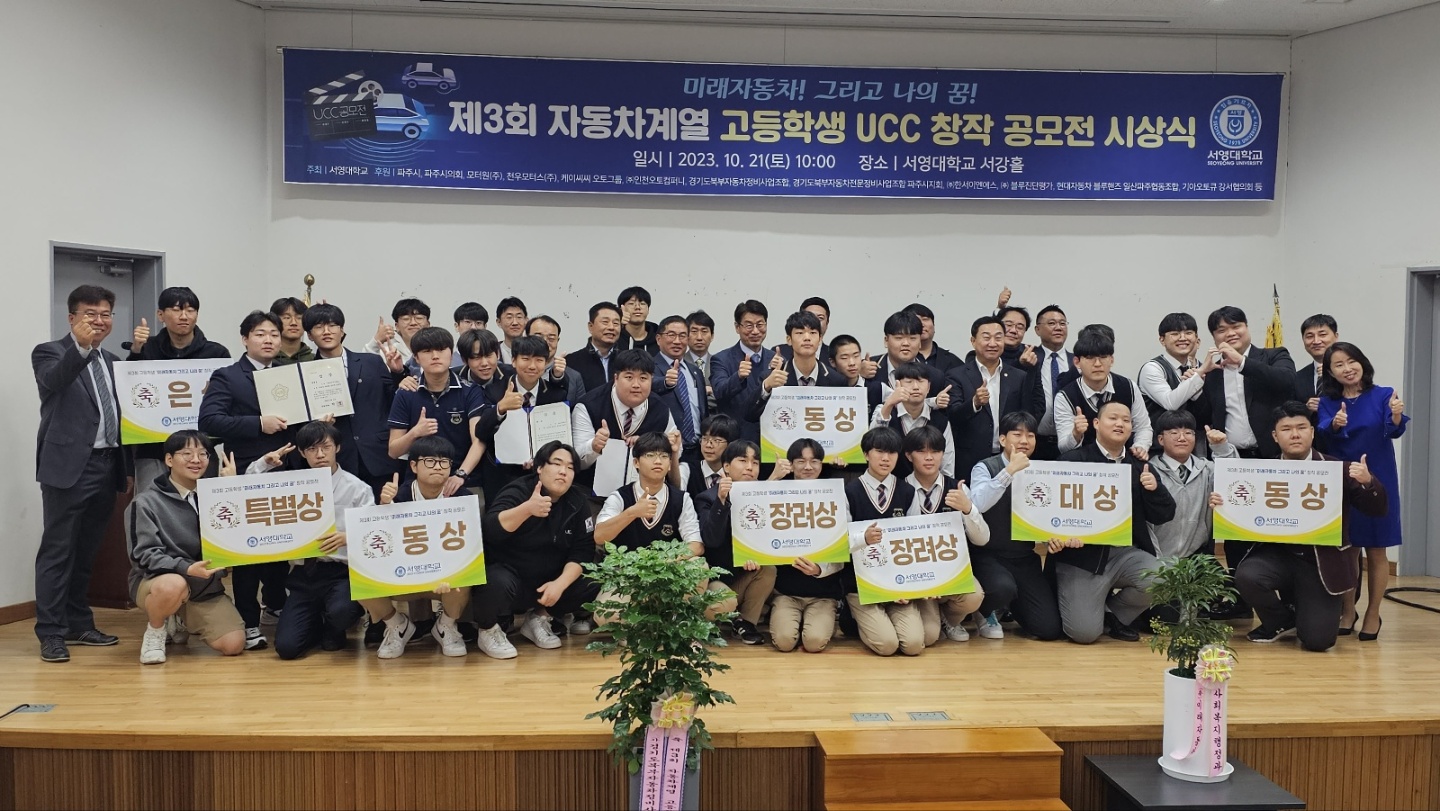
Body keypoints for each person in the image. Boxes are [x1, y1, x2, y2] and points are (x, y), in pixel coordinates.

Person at [1230, 402, 1387, 651]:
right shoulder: (1261, 471)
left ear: (1312, 432)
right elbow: (1243, 512)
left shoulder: (1337, 469)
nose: (1295, 434)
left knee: (1318, 641)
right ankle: (1281, 621)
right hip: (1277, 557)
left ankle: (1305, 614)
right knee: (1247, 575)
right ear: (1275, 436)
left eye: (1301, 427)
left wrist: (1368, 482)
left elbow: (1376, 510)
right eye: (1286, 429)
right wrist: (1223, 503)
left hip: (1320, 562)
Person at [31, 284, 130, 662]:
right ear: (72, 318)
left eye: (105, 314)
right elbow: (54, 380)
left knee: (88, 551)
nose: (99, 321)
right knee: (58, 552)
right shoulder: (49, 352)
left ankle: (78, 623)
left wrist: (126, 468)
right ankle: (51, 632)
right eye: (90, 314)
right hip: (68, 468)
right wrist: (82, 348)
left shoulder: (113, 362)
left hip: (107, 465)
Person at [198, 310, 295, 650]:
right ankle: (249, 620)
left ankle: (276, 604)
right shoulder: (227, 376)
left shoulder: (288, 374)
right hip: (244, 472)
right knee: (249, 551)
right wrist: (257, 423)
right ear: (244, 339)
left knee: (281, 543)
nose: (268, 340)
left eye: (274, 334)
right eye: (260, 334)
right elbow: (209, 421)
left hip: (287, 472)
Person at [1054, 400, 1176, 644]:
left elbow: (1164, 515)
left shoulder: (1140, 465)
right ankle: (1095, 612)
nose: (1120, 423)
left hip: (1125, 553)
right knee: (1084, 634)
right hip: (1082, 557)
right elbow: (1053, 510)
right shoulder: (1073, 460)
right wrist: (1061, 537)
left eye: (1126, 420)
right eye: (1113, 418)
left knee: (1163, 578)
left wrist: (1154, 490)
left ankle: (1112, 615)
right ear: (1096, 423)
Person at [247, 422, 368, 660]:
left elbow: (372, 534)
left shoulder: (357, 488)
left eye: (326, 447)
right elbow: (246, 490)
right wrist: (264, 464)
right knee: (287, 649)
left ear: (337, 448)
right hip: (303, 574)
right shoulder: (292, 484)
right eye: (312, 449)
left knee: (342, 613)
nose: (320, 454)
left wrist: (349, 537)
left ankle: (334, 625)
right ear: (302, 453)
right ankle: (315, 622)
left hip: (341, 572)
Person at [127, 430, 245, 664]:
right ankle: (156, 630)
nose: (196, 460)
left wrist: (231, 490)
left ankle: (179, 615)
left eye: (203, 454)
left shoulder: (215, 497)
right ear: (169, 460)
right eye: (187, 454)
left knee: (233, 644)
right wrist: (187, 568)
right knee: (174, 585)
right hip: (157, 581)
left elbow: (236, 536)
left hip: (203, 587)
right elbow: (142, 556)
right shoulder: (146, 502)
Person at [593, 433, 734, 627]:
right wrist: (632, 513)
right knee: (605, 614)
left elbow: (696, 545)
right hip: (628, 577)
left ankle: (678, 625)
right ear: (636, 462)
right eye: (650, 455)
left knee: (701, 570)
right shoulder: (620, 497)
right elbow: (599, 536)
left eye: (664, 456)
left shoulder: (681, 499)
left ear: (669, 464)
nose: (658, 461)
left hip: (668, 576)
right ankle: (645, 630)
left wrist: (662, 562)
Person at [1317, 342, 1408, 639]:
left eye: (1351, 361)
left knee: (1377, 549)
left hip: (1378, 479)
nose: (1347, 368)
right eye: (1339, 365)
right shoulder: (1328, 401)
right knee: (1348, 550)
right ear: (1331, 373)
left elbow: (1393, 429)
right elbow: (1322, 434)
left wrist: (1396, 415)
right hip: (1344, 480)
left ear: (1362, 363)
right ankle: (1348, 610)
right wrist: (1334, 423)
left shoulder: (1383, 394)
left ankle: (1372, 613)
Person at [478, 442, 602, 658]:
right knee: (494, 580)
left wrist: (560, 584)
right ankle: (488, 630)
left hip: (549, 583)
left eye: (570, 467)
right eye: (557, 464)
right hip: (512, 578)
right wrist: (527, 509)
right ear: (539, 468)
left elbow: (583, 550)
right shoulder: (518, 490)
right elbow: (490, 530)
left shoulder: (577, 501)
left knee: (594, 576)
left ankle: (539, 618)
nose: (563, 471)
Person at [358, 435, 475, 659]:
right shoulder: (398, 496)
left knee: (466, 576)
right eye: (430, 461)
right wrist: (384, 506)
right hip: (403, 575)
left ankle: (446, 626)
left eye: (444, 462)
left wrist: (449, 570)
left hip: (444, 578)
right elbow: (376, 544)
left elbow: (470, 548)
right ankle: (397, 625)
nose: (438, 467)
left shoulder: (463, 498)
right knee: (361, 579)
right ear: (413, 466)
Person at [124, 286, 232, 493]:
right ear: (160, 315)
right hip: (152, 450)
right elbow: (129, 387)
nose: (184, 316)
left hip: (200, 451)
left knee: (201, 506)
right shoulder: (147, 348)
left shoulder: (216, 353)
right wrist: (136, 350)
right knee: (151, 504)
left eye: (191, 310)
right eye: (176, 309)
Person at [969, 412, 1065, 642]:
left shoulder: (1041, 470)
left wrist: (1052, 538)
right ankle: (984, 610)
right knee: (1002, 587)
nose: (1024, 441)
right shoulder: (985, 467)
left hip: (1024, 556)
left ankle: (1009, 606)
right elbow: (978, 504)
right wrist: (1009, 470)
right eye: (1017, 434)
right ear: (1002, 439)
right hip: (987, 554)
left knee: (1048, 629)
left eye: (1030, 435)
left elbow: (1048, 514)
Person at [303, 303, 403, 497]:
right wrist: (319, 426)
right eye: (318, 327)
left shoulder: (372, 362)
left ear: (342, 331)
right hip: (339, 460)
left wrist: (398, 373)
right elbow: (302, 423)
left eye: (332, 325)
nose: (326, 331)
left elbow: (393, 402)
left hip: (379, 455)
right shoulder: (305, 372)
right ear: (309, 335)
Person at [903, 426, 987, 644]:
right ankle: (933, 617)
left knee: (974, 596)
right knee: (929, 636)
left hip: (950, 570)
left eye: (935, 451)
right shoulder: (900, 489)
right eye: (921, 451)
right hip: (916, 574)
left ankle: (950, 620)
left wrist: (968, 509)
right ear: (909, 455)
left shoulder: (957, 489)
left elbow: (982, 539)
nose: (929, 457)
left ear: (943, 454)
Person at [844, 427, 923, 656]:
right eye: (879, 451)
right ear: (866, 454)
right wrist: (863, 539)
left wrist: (908, 587)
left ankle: (878, 619)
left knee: (914, 645)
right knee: (887, 645)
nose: (886, 458)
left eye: (892, 453)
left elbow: (915, 540)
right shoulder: (849, 491)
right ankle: (853, 616)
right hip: (861, 586)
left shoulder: (908, 492)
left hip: (898, 585)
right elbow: (839, 542)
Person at [386, 326, 490, 496]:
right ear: (416, 357)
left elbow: (478, 441)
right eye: (427, 351)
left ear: (451, 354)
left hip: (464, 481)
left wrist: (460, 474)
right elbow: (393, 451)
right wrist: (415, 433)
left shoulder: (470, 391)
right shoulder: (406, 393)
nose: (435, 356)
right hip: (418, 486)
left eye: (441, 350)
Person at [695, 439, 777, 645]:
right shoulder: (707, 498)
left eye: (755, 462)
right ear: (726, 466)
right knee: (725, 601)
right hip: (716, 578)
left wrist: (756, 557)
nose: (750, 467)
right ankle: (703, 624)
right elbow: (711, 540)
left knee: (768, 570)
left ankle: (745, 623)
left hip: (743, 574)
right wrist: (721, 500)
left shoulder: (764, 497)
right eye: (743, 460)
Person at [768, 438, 845, 653]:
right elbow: (755, 507)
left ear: (821, 464)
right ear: (791, 465)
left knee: (814, 642)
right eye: (801, 461)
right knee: (784, 642)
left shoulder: (835, 494)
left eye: (814, 461)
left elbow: (844, 545)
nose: (808, 467)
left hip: (823, 594)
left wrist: (820, 569)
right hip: (786, 592)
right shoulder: (777, 492)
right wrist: (774, 477)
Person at [474, 335, 570, 502]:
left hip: (541, 477)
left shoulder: (556, 395)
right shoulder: (495, 391)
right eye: (525, 359)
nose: (532, 366)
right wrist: (500, 408)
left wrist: (540, 458)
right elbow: (481, 432)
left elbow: (559, 440)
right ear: (513, 361)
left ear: (546, 363)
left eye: (539, 360)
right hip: (502, 476)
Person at [571, 349, 679, 497]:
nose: (636, 385)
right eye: (629, 377)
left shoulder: (661, 409)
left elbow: (674, 455)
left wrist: (650, 444)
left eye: (643, 378)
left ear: (652, 379)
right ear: (616, 378)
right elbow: (577, 461)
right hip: (591, 495)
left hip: (644, 495)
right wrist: (594, 446)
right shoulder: (588, 406)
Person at [1202, 306, 1297, 459]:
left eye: (1236, 326)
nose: (1230, 333)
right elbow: (1205, 416)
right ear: (1214, 337)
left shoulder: (1274, 355)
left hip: (1275, 454)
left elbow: (1288, 380)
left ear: (1246, 327)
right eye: (1222, 330)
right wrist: (1194, 382)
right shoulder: (1212, 372)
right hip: (1231, 457)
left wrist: (1241, 361)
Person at [948, 315, 1029, 483]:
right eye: (986, 338)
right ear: (973, 341)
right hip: (969, 458)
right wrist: (974, 403)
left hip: (1009, 457)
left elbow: (1025, 416)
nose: (993, 343)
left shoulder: (1019, 376)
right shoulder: (956, 375)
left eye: (998, 338)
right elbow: (952, 416)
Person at [1146, 410, 1237, 559]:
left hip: (1196, 558)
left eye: (1188, 433)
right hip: (1154, 559)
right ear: (1161, 439)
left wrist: (1221, 448)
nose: (1182, 438)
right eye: (1174, 433)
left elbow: (1234, 480)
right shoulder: (1149, 472)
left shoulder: (1207, 469)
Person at [1054, 328, 1153, 459]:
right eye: (1090, 358)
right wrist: (1076, 433)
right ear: (1077, 362)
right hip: (1083, 463)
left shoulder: (1129, 387)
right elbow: (1063, 447)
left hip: (1122, 459)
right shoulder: (1065, 396)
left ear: (1111, 360)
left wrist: (1140, 446)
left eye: (1103, 357)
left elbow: (1143, 427)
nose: (1097, 364)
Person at [1137, 313, 1215, 457]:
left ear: (1196, 338)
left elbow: (1207, 415)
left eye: (1188, 333)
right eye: (1175, 334)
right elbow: (1170, 403)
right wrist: (1198, 376)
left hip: (1197, 453)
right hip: (1158, 453)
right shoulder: (1153, 368)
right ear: (1162, 340)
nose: (1183, 338)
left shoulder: (1201, 368)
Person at [872, 361, 954, 481]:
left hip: (927, 487)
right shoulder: (884, 410)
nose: (915, 387)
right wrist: (889, 403)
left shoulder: (940, 420)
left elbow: (947, 464)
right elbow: (872, 443)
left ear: (929, 387)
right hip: (889, 485)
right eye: (909, 382)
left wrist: (947, 486)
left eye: (920, 381)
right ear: (897, 385)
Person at [709, 300, 774, 443]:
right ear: (737, 327)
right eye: (749, 325)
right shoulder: (721, 359)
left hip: (770, 440)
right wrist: (738, 376)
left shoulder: (776, 359)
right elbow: (719, 392)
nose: (755, 331)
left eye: (760, 325)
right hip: (736, 440)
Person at [865, 310, 947, 412]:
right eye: (899, 338)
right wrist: (858, 375)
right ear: (886, 341)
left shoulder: (934, 376)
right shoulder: (867, 369)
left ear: (920, 342)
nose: (906, 343)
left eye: (912, 338)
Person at [653, 315, 708, 460]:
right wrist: (665, 382)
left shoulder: (695, 371)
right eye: (671, 335)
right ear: (658, 339)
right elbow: (649, 385)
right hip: (665, 449)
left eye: (682, 336)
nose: (677, 341)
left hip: (698, 450)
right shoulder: (649, 367)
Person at [1022, 305, 1072, 461]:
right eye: (1051, 323)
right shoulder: (1028, 357)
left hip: (1070, 442)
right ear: (1037, 330)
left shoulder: (1077, 361)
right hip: (1034, 441)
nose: (1058, 327)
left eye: (1062, 323)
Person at [565, 301, 623, 392]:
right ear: (590, 327)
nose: (611, 327)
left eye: (616, 323)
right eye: (605, 322)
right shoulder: (571, 361)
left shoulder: (627, 360)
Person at [527, 314, 585, 404]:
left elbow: (580, 409)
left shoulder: (574, 377)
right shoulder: (515, 372)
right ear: (526, 338)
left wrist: (557, 377)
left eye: (551, 338)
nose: (545, 343)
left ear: (557, 341)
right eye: (538, 337)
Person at [680, 414, 739, 497]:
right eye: (705, 438)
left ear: (730, 444)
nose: (708, 445)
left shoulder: (738, 472)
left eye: (717, 440)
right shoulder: (687, 469)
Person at [366, 297, 433, 365]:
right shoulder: (388, 352)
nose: (413, 323)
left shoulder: (437, 350)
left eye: (419, 318)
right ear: (397, 326)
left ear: (428, 324)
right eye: (406, 319)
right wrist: (376, 341)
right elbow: (365, 364)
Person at [904, 302, 963, 374]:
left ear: (934, 325)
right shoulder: (897, 358)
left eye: (925, 319)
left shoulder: (953, 361)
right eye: (915, 320)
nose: (922, 324)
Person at [1296, 314, 1339, 411]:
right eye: (1310, 336)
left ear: (1336, 337)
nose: (1316, 341)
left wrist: (1332, 375)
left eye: (1322, 335)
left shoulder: (1350, 371)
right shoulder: (1297, 378)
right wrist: (1306, 409)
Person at [776, 297, 835, 366]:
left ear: (827, 323)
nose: (814, 321)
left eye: (820, 318)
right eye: (809, 316)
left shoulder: (834, 355)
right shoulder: (779, 353)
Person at [685, 309, 718, 411]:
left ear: (712, 336)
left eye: (704, 331)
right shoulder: (678, 363)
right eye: (694, 331)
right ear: (686, 335)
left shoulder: (720, 362)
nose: (699, 337)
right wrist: (706, 391)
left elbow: (724, 395)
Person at [269, 297, 314, 365]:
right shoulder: (266, 360)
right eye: (287, 318)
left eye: (299, 318)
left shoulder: (314, 360)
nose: (293, 323)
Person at [616, 286, 659, 354]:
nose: (637, 307)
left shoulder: (659, 339)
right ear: (621, 309)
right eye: (631, 303)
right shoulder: (614, 338)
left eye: (642, 304)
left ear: (648, 309)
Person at [495, 296, 528, 364]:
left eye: (519, 317)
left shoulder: (535, 351)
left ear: (526, 320)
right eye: (509, 317)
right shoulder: (493, 351)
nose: (515, 323)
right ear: (499, 322)